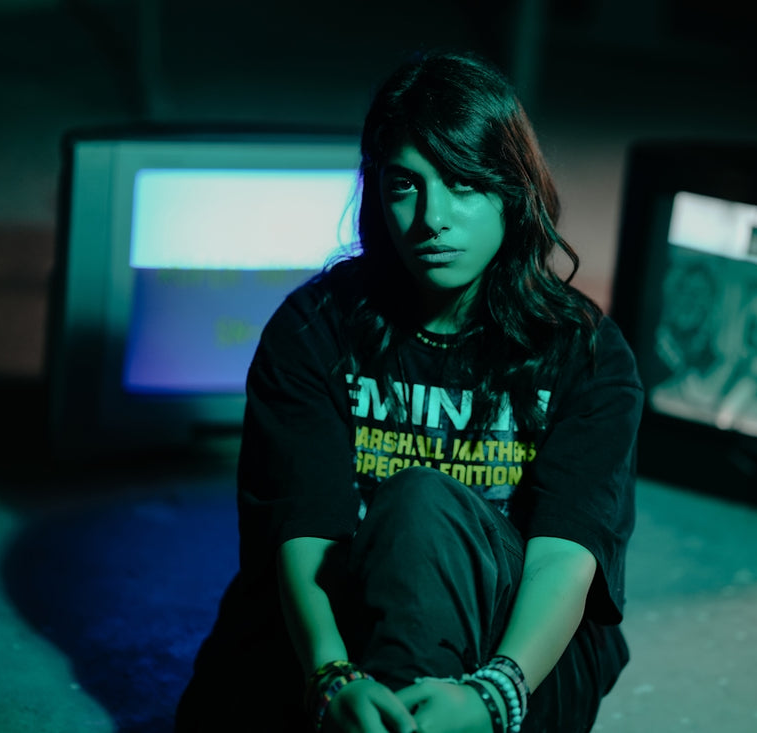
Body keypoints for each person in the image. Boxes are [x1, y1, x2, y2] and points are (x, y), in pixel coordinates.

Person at [175, 49, 644, 733]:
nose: (432, 218)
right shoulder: (314, 330)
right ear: (377, 191)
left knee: (422, 503)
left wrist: (493, 694)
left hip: (519, 647)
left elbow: (565, 555)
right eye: (405, 185)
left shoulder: (587, 353)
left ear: (513, 190)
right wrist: (332, 676)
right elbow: (302, 529)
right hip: (340, 626)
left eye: (462, 182)